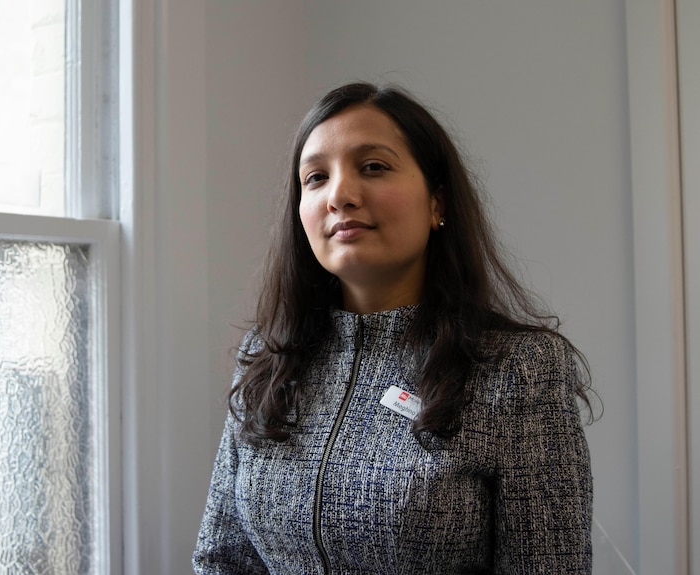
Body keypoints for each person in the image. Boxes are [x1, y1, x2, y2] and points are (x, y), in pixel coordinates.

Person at [193, 82, 594, 574]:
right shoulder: (269, 357)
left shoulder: (518, 369)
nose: (339, 194)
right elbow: (222, 559)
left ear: (437, 203)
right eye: (315, 177)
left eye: (374, 167)